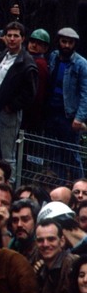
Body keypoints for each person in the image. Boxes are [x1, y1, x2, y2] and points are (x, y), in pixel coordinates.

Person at [0, 22, 37, 182]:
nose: (12, 39)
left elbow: (30, 94)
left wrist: (11, 106)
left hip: (8, 113)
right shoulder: (2, 55)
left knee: (8, 156)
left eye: (16, 36)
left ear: (23, 38)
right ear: (4, 37)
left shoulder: (26, 63)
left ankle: (9, 188)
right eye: (9, 35)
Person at [45, 27, 87, 182]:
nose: (67, 46)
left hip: (68, 115)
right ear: (59, 42)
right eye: (64, 41)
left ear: (74, 44)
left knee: (71, 153)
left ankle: (80, 187)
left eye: (70, 43)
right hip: (52, 111)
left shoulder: (81, 64)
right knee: (54, 152)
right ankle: (59, 185)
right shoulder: (54, 57)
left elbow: (85, 93)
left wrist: (80, 117)